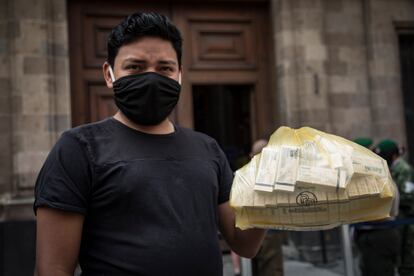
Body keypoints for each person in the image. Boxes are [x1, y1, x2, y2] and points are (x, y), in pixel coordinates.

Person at [34, 12, 266, 276]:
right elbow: (51, 269)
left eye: (165, 68)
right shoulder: (77, 149)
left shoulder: (207, 148)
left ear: (179, 74)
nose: (151, 78)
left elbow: (245, 244)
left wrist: (269, 194)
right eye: (135, 67)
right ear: (109, 75)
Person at [354, 137, 401, 276]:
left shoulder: (374, 174)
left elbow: (388, 206)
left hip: (379, 233)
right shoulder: (375, 171)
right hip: (375, 232)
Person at [374, 139, 414, 276]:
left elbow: (408, 196)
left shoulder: (403, 169)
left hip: (406, 219)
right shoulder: (391, 168)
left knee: (408, 258)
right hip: (397, 219)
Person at [250, 139, 285, 276]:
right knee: (272, 270)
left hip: (253, 232)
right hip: (270, 232)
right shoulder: (275, 175)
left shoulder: (247, 176)